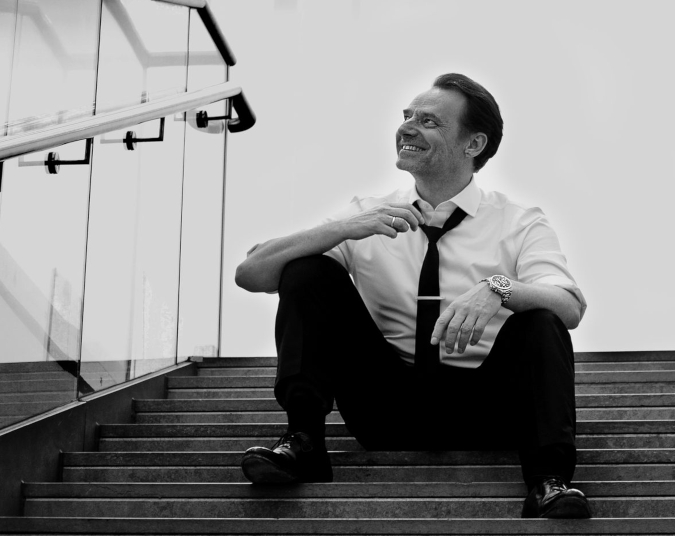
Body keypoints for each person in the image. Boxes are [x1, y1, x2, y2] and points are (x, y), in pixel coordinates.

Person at [234, 73, 590, 519]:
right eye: (407, 117)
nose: (407, 127)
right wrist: (341, 229)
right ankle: (303, 441)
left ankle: (548, 480)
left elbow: (570, 307)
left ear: (473, 144)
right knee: (307, 268)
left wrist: (497, 289)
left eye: (429, 121)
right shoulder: (369, 214)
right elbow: (251, 274)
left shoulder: (519, 222)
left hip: (487, 406)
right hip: (386, 407)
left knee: (540, 318)